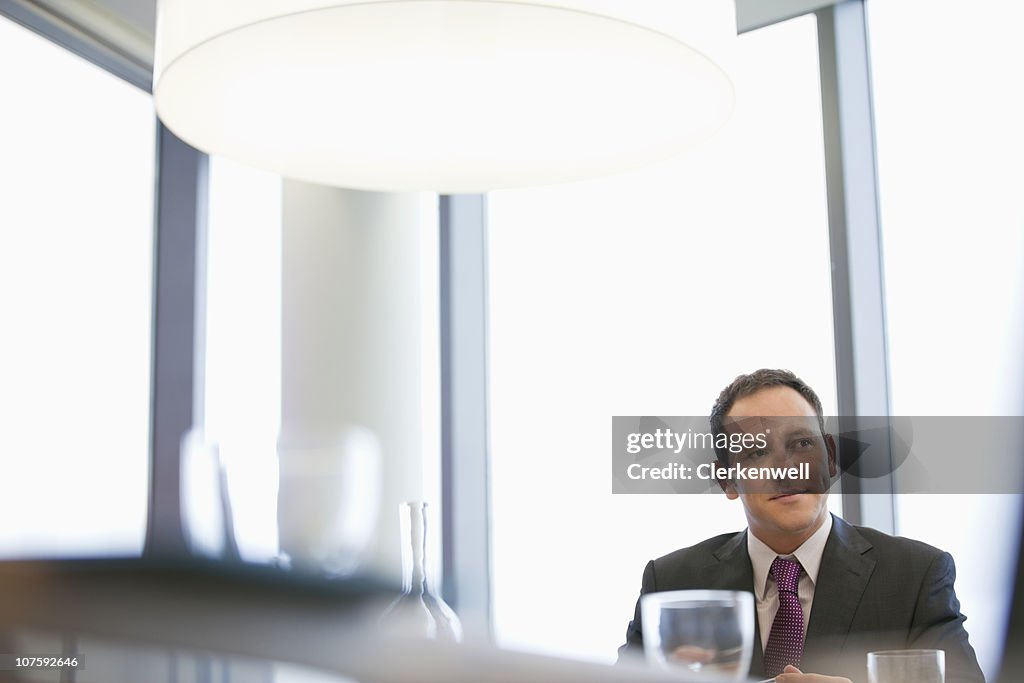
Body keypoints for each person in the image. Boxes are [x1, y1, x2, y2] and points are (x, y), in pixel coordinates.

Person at [618, 369, 984, 683]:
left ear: (830, 460)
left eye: (802, 443)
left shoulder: (916, 576)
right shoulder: (671, 584)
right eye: (757, 452)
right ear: (726, 479)